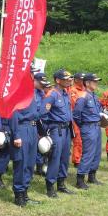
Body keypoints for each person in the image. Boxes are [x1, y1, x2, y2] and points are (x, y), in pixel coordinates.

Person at [9, 71, 47, 206]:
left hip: (32, 128)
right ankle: (19, 194)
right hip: (22, 128)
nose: (31, 77)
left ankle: (25, 192)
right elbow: (13, 113)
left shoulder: (32, 92)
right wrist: (16, 135)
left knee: (30, 163)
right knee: (21, 163)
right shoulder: (18, 91)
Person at [42, 69, 75, 197]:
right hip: (56, 130)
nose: (68, 81)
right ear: (57, 80)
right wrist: (46, 131)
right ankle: (50, 186)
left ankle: (61, 184)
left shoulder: (65, 93)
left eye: (69, 79)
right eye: (65, 79)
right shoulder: (52, 94)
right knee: (55, 158)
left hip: (66, 129)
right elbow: (43, 114)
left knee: (65, 157)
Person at [72, 73, 104, 189]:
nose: (96, 83)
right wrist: (83, 126)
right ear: (87, 83)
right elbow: (76, 115)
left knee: (97, 153)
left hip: (97, 126)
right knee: (88, 153)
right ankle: (80, 179)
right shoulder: (82, 96)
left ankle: (92, 176)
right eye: (94, 81)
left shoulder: (94, 96)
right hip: (88, 127)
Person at [69, 72, 86, 168]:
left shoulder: (84, 90)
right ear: (76, 80)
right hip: (76, 117)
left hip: (84, 117)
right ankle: (77, 160)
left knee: (83, 139)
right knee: (78, 139)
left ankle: (81, 158)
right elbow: (75, 104)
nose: (83, 81)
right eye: (81, 79)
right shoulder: (73, 90)